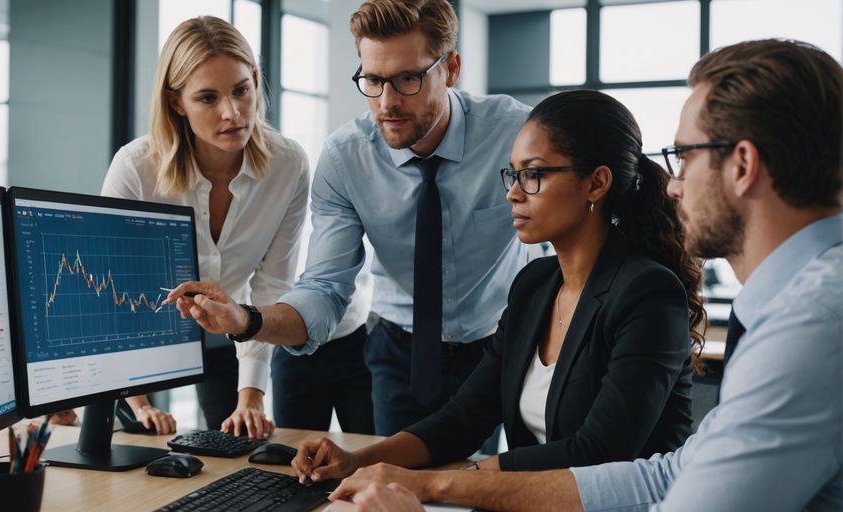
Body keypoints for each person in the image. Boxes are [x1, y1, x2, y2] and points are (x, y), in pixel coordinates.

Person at [327, 38, 843, 511]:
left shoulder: (810, 323)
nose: (674, 184)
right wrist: (377, 465)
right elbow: (666, 475)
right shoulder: (537, 284)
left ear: (743, 165)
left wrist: (445, 486)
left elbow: (609, 457)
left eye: (684, 157)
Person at [292, 89, 703, 488]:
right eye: (514, 173)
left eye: (534, 174)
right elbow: (466, 416)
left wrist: (440, 482)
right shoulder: (535, 284)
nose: (513, 192)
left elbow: (598, 452)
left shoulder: (648, 293)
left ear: (596, 183)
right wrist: (359, 460)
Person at [165, 0, 534, 440]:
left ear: (450, 69)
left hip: (503, 343)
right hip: (400, 353)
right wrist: (247, 321)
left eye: (408, 79)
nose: (388, 102)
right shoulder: (346, 157)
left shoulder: (515, 134)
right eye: (373, 80)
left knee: (506, 482)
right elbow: (325, 288)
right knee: (401, 491)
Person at [100, 16, 306, 437]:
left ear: (255, 82)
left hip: (234, 333)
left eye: (241, 91)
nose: (232, 113)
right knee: (140, 452)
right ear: (177, 102)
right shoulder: (136, 169)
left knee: (234, 450)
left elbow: (272, 286)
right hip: (146, 337)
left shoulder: (288, 165)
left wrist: (251, 397)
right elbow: (109, 290)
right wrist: (136, 403)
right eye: (208, 98)